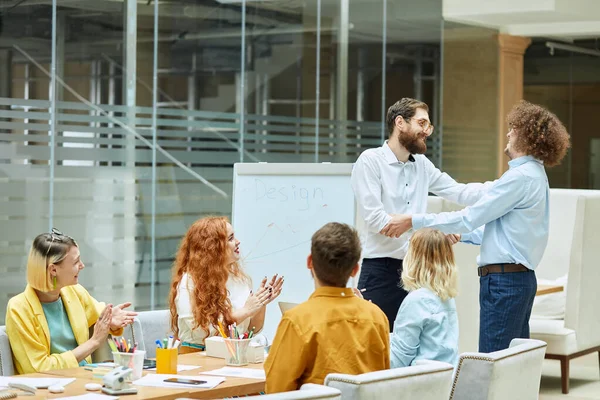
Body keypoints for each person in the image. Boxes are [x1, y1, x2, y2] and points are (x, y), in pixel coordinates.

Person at [388, 100, 571, 352]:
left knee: (492, 362)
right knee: (512, 363)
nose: (508, 133)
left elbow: (469, 217)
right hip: (515, 280)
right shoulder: (531, 175)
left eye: (514, 129)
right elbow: (500, 231)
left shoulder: (520, 178)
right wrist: (460, 235)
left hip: (504, 283)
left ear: (528, 137)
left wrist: (414, 220)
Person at [351, 97, 491, 330]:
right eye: (422, 123)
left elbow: (458, 191)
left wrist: (501, 189)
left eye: (429, 125)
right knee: (377, 345)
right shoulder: (370, 161)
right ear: (400, 123)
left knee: (412, 349)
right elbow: (378, 221)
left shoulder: (422, 164)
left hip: (417, 271)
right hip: (380, 271)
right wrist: (429, 232)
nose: (427, 131)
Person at [265, 223, 390, 393]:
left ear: (310, 262)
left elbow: (276, 390)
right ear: (355, 270)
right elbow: (381, 382)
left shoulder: (297, 320)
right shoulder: (377, 317)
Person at [5, 228, 137, 374]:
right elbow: (40, 368)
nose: (82, 265)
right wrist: (93, 342)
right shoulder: (18, 309)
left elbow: (98, 313)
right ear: (53, 270)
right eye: (76, 262)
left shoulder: (75, 292)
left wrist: (110, 319)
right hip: (48, 390)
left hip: (84, 378)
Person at [168, 216, 283, 353]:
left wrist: (260, 303)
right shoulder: (188, 282)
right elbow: (200, 332)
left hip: (231, 355)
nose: (238, 242)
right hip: (196, 356)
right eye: (231, 238)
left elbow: (252, 329)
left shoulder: (239, 279)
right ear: (213, 248)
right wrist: (244, 311)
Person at [391, 228, 459, 368]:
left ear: (413, 258)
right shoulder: (446, 297)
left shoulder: (416, 301)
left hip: (418, 384)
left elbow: (397, 361)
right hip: (443, 381)